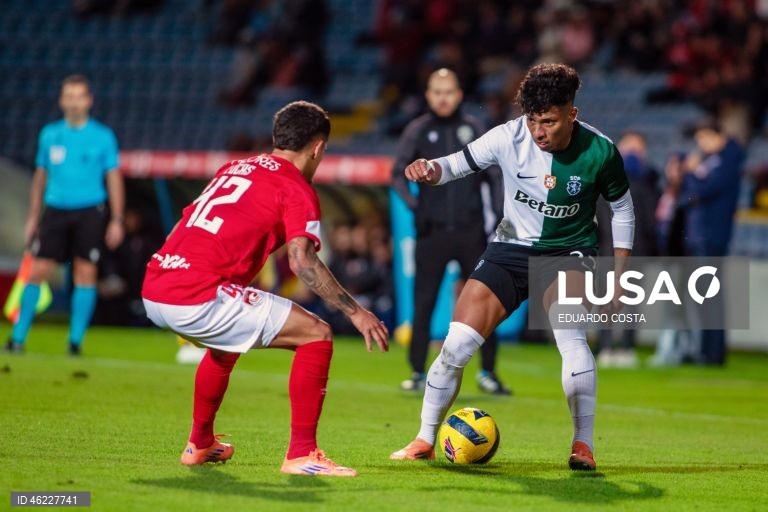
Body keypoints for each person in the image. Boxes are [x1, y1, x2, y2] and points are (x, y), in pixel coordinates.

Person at [389, 63, 635, 471]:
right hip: (509, 248)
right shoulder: (509, 136)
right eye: (534, 121)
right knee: (456, 345)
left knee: (570, 337)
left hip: (568, 252)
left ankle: (582, 444)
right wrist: (429, 170)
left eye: (550, 122)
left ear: (571, 114)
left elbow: (622, 207)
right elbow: (455, 163)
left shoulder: (600, 151)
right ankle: (424, 438)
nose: (539, 132)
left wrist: (621, 271)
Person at [141, 101, 389, 476]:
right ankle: (302, 454)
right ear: (318, 147)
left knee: (225, 347)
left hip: (156, 283)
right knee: (316, 334)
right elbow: (302, 262)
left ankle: (200, 443)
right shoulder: (297, 188)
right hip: (198, 293)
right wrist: (356, 311)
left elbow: (183, 225)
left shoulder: (234, 167)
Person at [392, 68, 511, 395]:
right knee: (423, 303)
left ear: (459, 95)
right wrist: (417, 208)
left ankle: (489, 372)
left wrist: (500, 214)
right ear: (428, 95)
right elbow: (397, 175)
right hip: (431, 234)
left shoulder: (473, 128)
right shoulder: (417, 130)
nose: (443, 97)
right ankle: (417, 371)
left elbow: (495, 175)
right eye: (436, 91)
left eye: (449, 91)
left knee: (487, 301)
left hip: (471, 231)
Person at [4, 74, 124, 356]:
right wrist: (34, 216)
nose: (73, 102)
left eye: (78, 96)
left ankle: (75, 341)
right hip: (56, 209)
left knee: (85, 273)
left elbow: (114, 177)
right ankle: (18, 337)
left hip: (90, 210)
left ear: (89, 100)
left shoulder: (103, 136)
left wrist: (117, 219)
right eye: (68, 96)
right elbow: (40, 177)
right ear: (61, 100)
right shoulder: (50, 134)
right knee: (37, 271)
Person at [595, 131, 659, 368]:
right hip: (633, 250)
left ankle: (606, 346)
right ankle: (624, 347)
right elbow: (652, 222)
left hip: (609, 249)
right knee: (630, 300)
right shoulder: (645, 184)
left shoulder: (604, 181)